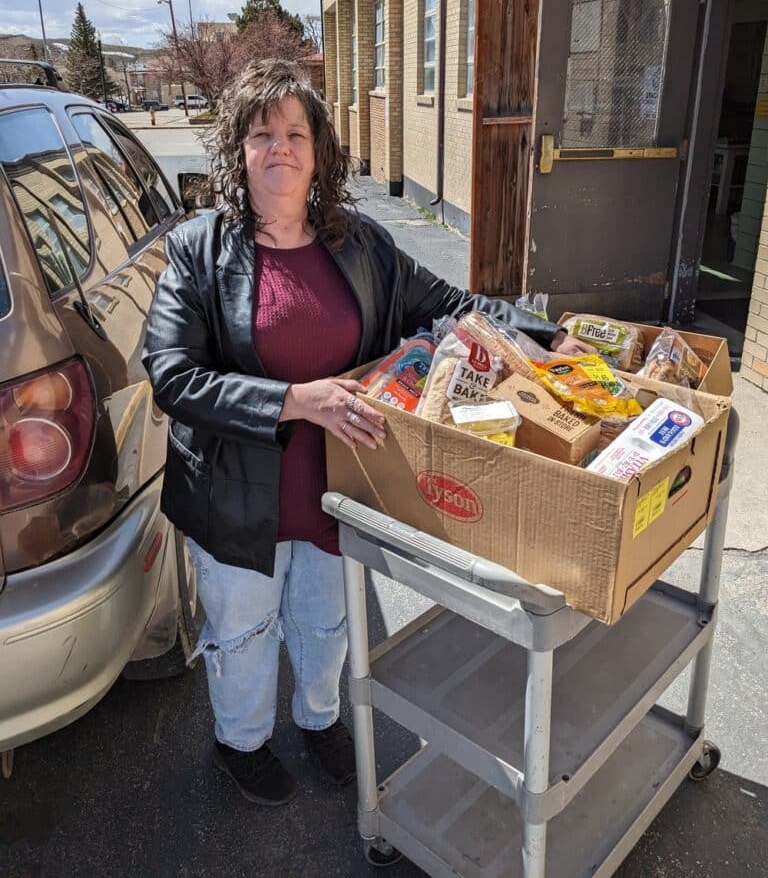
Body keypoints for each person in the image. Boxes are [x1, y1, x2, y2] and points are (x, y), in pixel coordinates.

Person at [142, 59, 592, 808]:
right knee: (243, 638)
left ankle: (320, 722)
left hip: (339, 491)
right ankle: (241, 743)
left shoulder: (359, 245)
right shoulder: (199, 250)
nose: (279, 147)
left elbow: (454, 304)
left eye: (294, 132)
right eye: (262, 134)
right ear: (239, 151)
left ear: (318, 151)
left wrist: (543, 336)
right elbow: (172, 376)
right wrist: (296, 399)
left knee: (326, 624)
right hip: (235, 500)